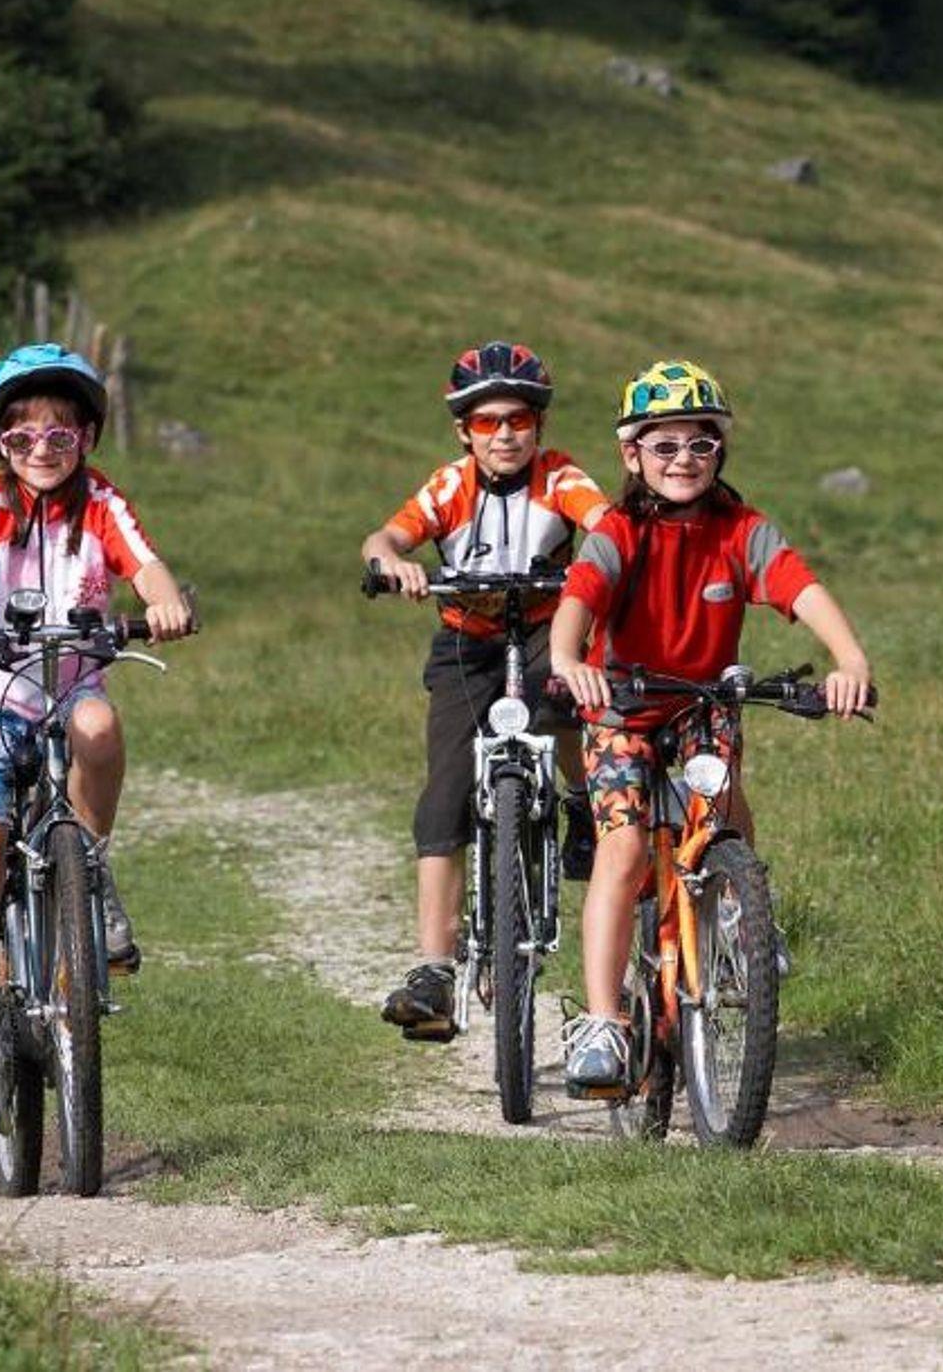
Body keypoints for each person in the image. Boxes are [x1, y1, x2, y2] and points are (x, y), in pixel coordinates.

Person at [550, 360, 873, 1091]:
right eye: (664, 445)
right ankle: (602, 1022)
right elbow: (579, 598)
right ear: (632, 454)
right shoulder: (619, 531)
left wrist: (849, 659)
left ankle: (740, 917)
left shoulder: (742, 529)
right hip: (621, 709)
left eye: (700, 443)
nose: (683, 460)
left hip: (701, 704)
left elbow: (800, 587)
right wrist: (569, 659)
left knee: (722, 807)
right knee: (624, 848)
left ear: (720, 450)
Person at [0, 343, 193, 1137]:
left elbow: (147, 566)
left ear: (88, 439)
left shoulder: (101, 504)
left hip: (71, 690)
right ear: (1, 443)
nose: (42, 450)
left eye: (60, 435)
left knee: (100, 725)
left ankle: (91, 870)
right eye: (22, 437)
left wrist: (164, 602)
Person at [364, 341, 610, 1042]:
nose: (504, 435)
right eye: (486, 422)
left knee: (563, 703)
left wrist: (604, 562)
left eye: (519, 419)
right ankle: (434, 972)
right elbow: (384, 537)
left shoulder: (559, 477)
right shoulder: (450, 487)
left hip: (544, 626)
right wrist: (392, 564)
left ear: (539, 425)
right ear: (463, 431)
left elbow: (604, 524)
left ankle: (579, 800)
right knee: (444, 794)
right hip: (466, 643)